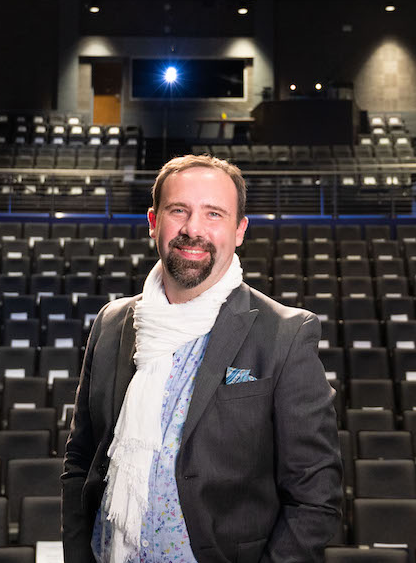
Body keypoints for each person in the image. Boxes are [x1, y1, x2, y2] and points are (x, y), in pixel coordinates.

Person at [62, 154, 342, 563]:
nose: (193, 229)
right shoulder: (112, 323)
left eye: (214, 214)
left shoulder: (286, 333)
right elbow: (80, 461)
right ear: (153, 221)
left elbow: (315, 495)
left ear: (239, 230)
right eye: (179, 211)